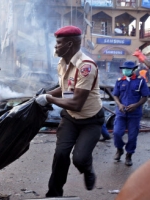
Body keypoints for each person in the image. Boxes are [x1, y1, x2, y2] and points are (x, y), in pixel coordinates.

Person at [35, 25, 105, 197]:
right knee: (60, 155)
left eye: (59, 43)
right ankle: (54, 194)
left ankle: (87, 169)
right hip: (70, 119)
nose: (55, 46)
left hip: (90, 120)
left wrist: (49, 99)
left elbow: (77, 103)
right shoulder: (62, 63)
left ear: (70, 44)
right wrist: (46, 94)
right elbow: (65, 87)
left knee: (80, 159)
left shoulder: (86, 67)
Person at [112, 61, 148, 166]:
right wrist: (119, 104)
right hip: (121, 113)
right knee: (117, 133)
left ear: (133, 70)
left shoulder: (140, 81)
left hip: (135, 114)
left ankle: (129, 155)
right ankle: (119, 149)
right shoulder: (119, 81)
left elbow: (145, 97)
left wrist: (136, 105)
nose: (125, 71)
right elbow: (115, 95)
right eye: (124, 69)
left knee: (132, 136)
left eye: (127, 69)